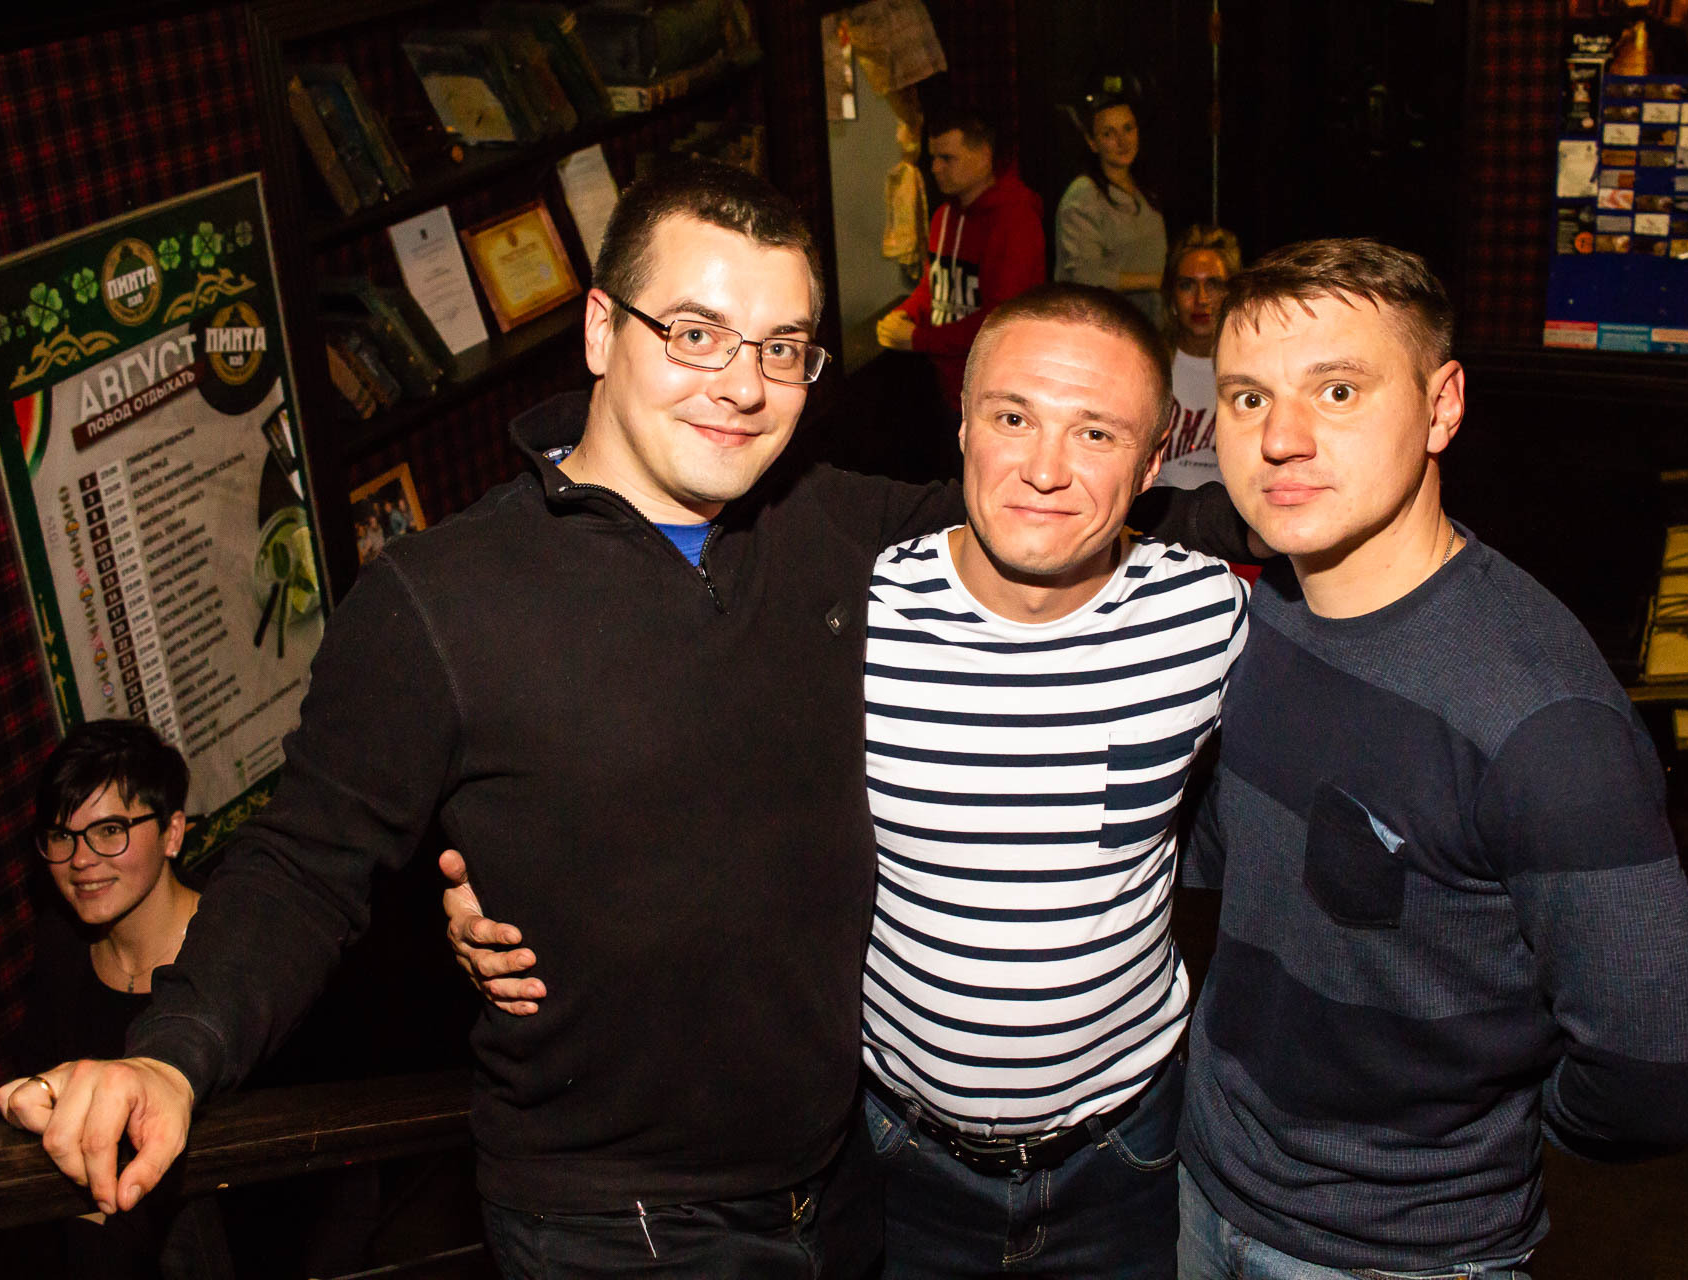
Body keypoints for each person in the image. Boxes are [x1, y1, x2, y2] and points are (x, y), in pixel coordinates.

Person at [0, 162, 1251, 1280]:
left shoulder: (830, 527)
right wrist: (173, 1052)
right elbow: (304, 864)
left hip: (850, 1178)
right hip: (615, 1217)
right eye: (696, 333)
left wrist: (1290, 512)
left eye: (781, 347)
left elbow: (1046, 511)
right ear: (601, 327)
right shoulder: (439, 600)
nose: (742, 385)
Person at [446, 284, 1250, 1279]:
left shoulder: (1208, 616)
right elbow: (673, 767)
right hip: (894, 1162)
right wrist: (522, 889)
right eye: (1013, 418)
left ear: (1155, 457)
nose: (1045, 468)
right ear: (964, 425)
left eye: (1095, 432)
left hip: (1126, 1155)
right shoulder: (851, 605)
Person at [1177, 238, 1688, 1277]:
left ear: (1442, 407)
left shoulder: (1543, 718)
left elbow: (1658, 1076)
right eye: (1248, 398)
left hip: (1402, 1254)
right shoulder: (1263, 615)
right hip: (1204, 1184)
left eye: (1338, 390)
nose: (1280, 438)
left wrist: (1468, 1143)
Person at [3, 719, 233, 1280]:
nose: (80, 859)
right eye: (61, 836)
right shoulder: (61, 945)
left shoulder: (229, 958)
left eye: (109, 830)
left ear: (173, 833)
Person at [877, 109, 1046, 410]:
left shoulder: (1017, 220)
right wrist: (904, 315)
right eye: (933, 158)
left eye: (948, 158)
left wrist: (919, 339)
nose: (936, 168)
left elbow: (1002, 320)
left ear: (983, 155)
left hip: (997, 389)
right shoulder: (944, 216)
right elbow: (933, 287)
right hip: (947, 382)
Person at [1054, 94, 1168, 325]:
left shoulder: (1144, 189)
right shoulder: (1084, 195)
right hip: (1104, 324)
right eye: (1109, 134)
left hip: (1150, 323)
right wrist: (1155, 280)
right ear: (1092, 142)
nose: (1122, 141)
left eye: (1128, 129)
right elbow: (1084, 276)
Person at [1152, 226, 1240, 492]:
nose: (1201, 299)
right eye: (1187, 285)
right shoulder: (1150, 367)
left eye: (1213, 284)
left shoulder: (1254, 370)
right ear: (1171, 298)